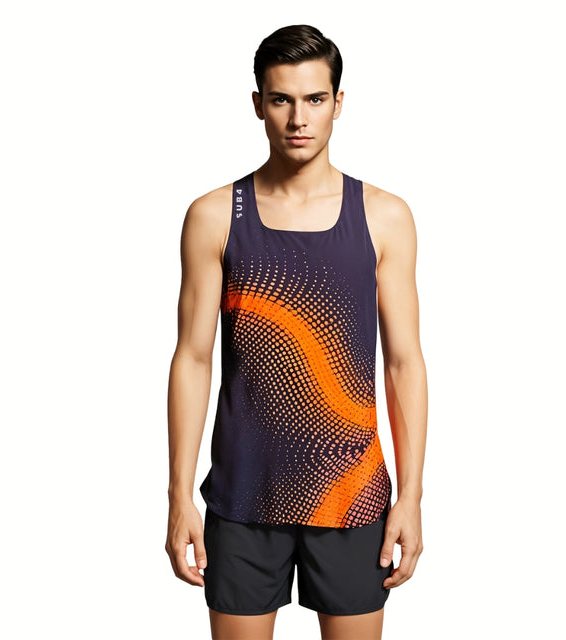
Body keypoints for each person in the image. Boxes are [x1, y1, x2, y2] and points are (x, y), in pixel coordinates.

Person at [165, 24, 427, 640]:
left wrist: (411, 496)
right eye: (282, 99)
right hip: (242, 498)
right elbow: (193, 358)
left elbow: (404, 363)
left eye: (315, 99)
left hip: (352, 494)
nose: (298, 118)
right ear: (259, 103)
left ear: (339, 103)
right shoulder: (213, 216)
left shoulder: (384, 216)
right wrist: (179, 496)